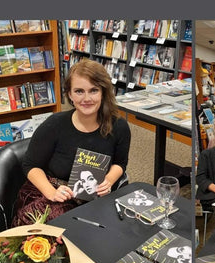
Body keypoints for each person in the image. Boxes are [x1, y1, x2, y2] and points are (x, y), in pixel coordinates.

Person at [12, 58, 131, 227]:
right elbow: (30, 165)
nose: (87, 98)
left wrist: (109, 180)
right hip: (53, 193)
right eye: (79, 91)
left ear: (103, 92)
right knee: (61, 230)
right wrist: (51, 192)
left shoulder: (119, 126)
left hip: (94, 196)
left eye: (94, 90)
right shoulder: (54, 125)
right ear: (69, 94)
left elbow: (120, 163)